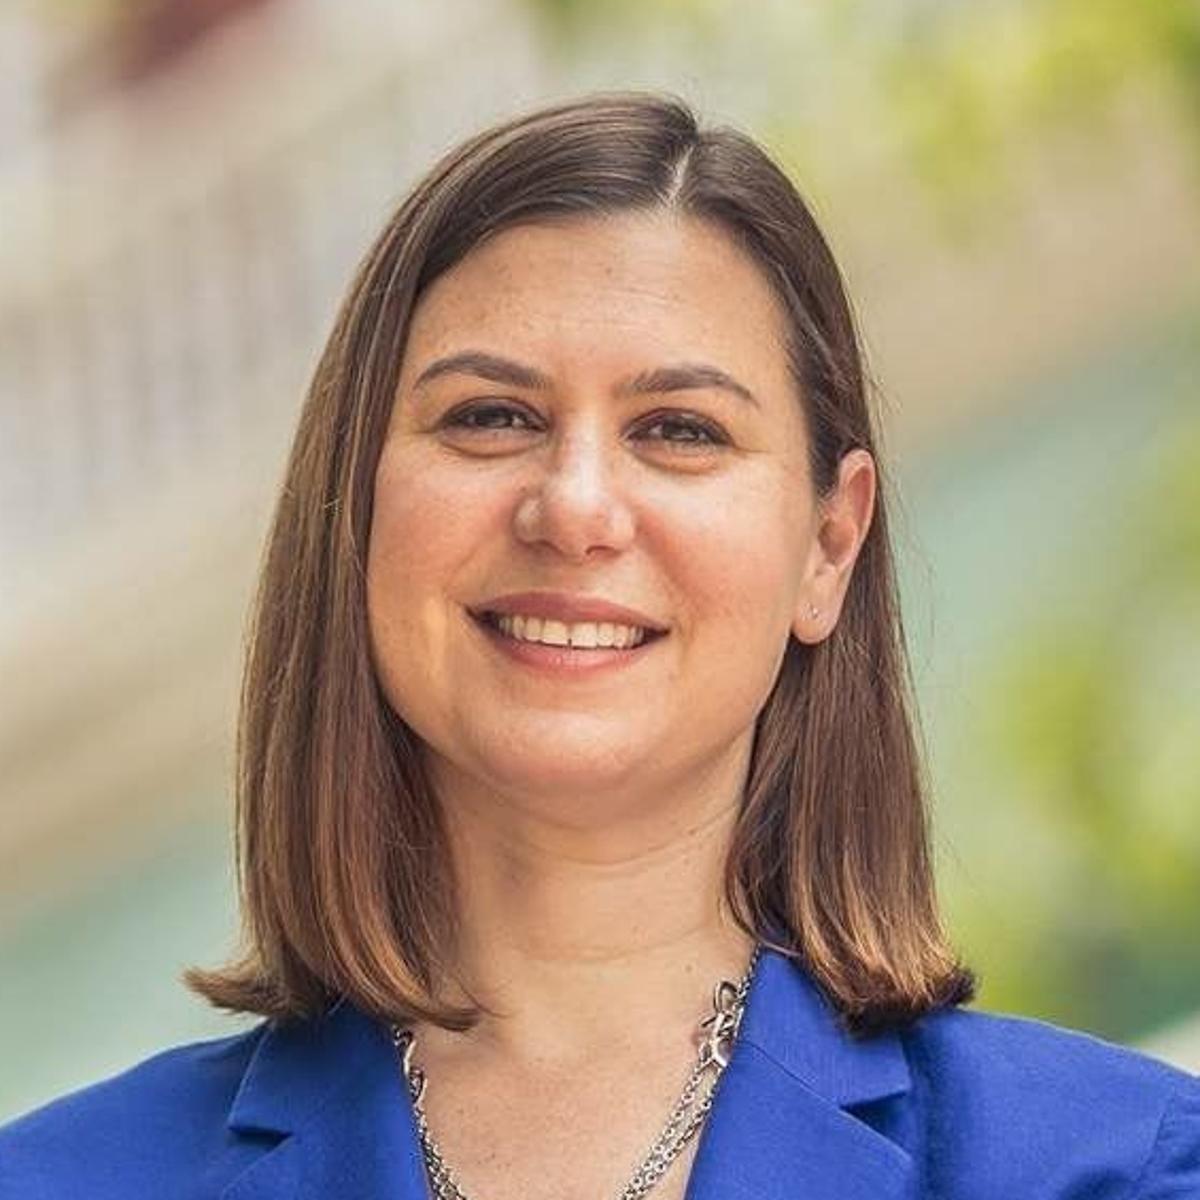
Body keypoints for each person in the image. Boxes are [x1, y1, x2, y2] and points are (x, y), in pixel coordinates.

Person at [1, 90, 1196, 1200]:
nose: (573, 507)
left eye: (678, 429)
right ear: (356, 509)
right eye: (490, 417)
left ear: (828, 545)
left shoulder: (1111, 1168)